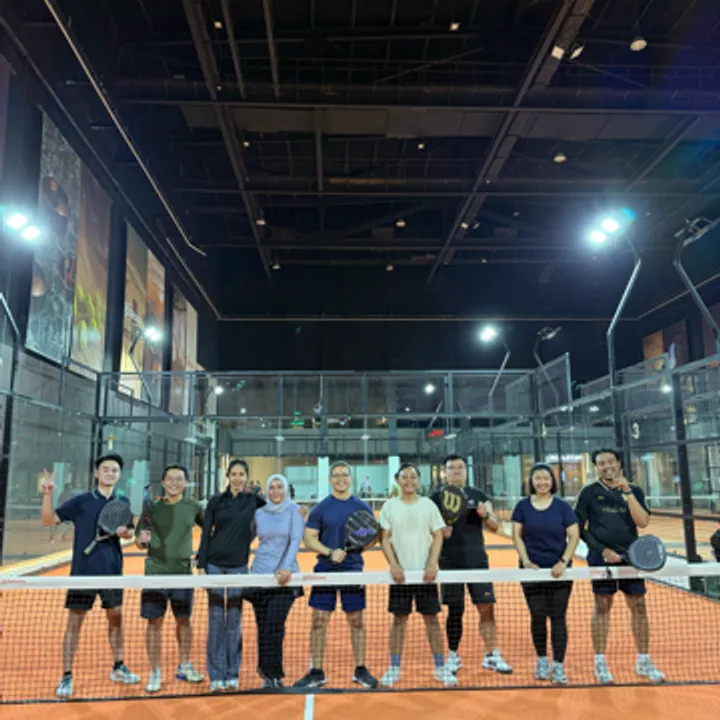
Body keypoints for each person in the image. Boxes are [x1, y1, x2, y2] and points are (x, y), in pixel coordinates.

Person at [40, 454, 139, 698]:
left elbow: (130, 534)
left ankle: (118, 667)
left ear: (119, 475)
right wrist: (47, 494)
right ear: (96, 473)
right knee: (74, 623)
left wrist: (125, 533)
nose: (110, 473)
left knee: (116, 619)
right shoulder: (81, 501)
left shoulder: (122, 502)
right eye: (105, 469)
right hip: (82, 572)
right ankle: (66, 675)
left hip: (112, 571)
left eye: (114, 470)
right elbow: (48, 520)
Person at [575, 448, 665, 684]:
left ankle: (643, 659)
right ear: (596, 467)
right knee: (602, 606)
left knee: (639, 606)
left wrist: (628, 492)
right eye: (601, 463)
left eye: (610, 462)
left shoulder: (634, 490)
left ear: (618, 464)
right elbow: (580, 528)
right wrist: (602, 550)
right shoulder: (588, 493)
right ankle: (600, 662)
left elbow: (642, 522)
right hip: (600, 559)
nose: (606, 467)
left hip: (631, 558)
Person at [293, 461, 378, 689]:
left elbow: (371, 536)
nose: (341, 479)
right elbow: (309, 538)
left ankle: (360, 669)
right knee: (318, 621)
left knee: (356, 620)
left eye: (345, 475)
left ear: (351, 479)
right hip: (325, 569)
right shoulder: (321, 508)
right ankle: (316, 671)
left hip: (353, 569)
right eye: (337, 475)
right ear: (331, 479)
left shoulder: (362, 507)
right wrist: (330, 552)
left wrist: (355, 549)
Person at [432, 454, 512, 675]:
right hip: (449, 560)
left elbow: (495, 526)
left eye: (460, 467)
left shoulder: (479, 495)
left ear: (466, 471)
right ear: (445, 472)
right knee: (455, 610)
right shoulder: (436, 498)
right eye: (452, 468)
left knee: (486, 607)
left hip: (477, 559)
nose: (456, 471)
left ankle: (491, 655)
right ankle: (453, 656)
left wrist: (485, 516)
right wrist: (440, 531)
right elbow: (429, 529)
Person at [379, 464, 456, 688]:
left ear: (418, 480)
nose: (409, 481)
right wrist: (394, 565)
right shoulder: (389, 506)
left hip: (425, 576)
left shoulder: (428, 505)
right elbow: (384, 539)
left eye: (413, 477)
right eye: (405, 477)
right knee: (399, 621)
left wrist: (432, 563)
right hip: (400, 577)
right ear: (398, 480)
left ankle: (440, 668)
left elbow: (438, 535)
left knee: (432, 620)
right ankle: (394, 668)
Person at [197, 458, 265, 692]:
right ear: (227, 476)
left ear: (246, 477)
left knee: (234, 621)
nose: (237, 478)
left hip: (239, 567)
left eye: (241, 474)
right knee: (216, 620)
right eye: (234, 474)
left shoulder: (253, 500)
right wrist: (202, 564)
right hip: (214, 565)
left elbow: (277, 508)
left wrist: (298, 511)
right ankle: (216, 675)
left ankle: (232, 673)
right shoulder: (215, 501)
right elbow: (206, 533)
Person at [136, 464, 205, 693]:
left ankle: (184, 665)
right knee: (154, 623)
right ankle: (155, 671)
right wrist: (142, 541)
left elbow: (210, 530)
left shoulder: (193, 507)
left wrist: (202, 555)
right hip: (155, 574)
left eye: (179, 479)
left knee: (184, 620)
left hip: (183, 575)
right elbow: (139, 541)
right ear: (163, 482)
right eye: (170, 479)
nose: (174, 483)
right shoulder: (152, 508)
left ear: (186, 483)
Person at [511, 464, 579, 685]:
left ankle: (558, 665)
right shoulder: (522, 506)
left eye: (546, 478)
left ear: (552, 481)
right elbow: (517, 536)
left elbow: (574, 536)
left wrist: (563, 562)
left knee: (558, 617)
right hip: (532, 572)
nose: (542, 482)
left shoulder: (562, 507)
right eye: (537, 478)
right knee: (538, 616)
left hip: (559, 572)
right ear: (531, 482)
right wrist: (526, 561)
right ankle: (541, 660)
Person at [246, 474, 305, 688]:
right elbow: (247, 539)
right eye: (272, 487)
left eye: (280, 487)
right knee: (263, 626)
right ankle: (265, 674)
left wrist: (286, 567)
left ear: (286, 489)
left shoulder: (296, 511)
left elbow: (296, 540)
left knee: (274, 623)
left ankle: (275, 674)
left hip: (284, 579)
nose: (276, 491)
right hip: (259, 576)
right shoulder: (259, 513)